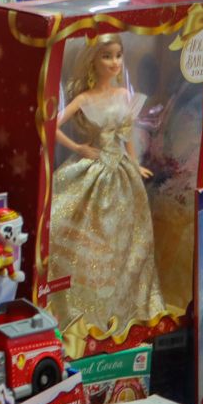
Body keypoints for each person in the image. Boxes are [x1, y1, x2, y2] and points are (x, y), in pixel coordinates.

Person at [47, 33, 166, 356]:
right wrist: (79, 148)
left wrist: (136, 165)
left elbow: (126, 137)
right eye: (107, 56)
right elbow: (51, 125)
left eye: (118, 55)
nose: (114, 62)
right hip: (93, 168)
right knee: (71, 228)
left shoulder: (125, 95)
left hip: (122, 175)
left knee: (124, 242)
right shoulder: (84, 99)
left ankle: (120, 309)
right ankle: (76, 307)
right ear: (93, 61)